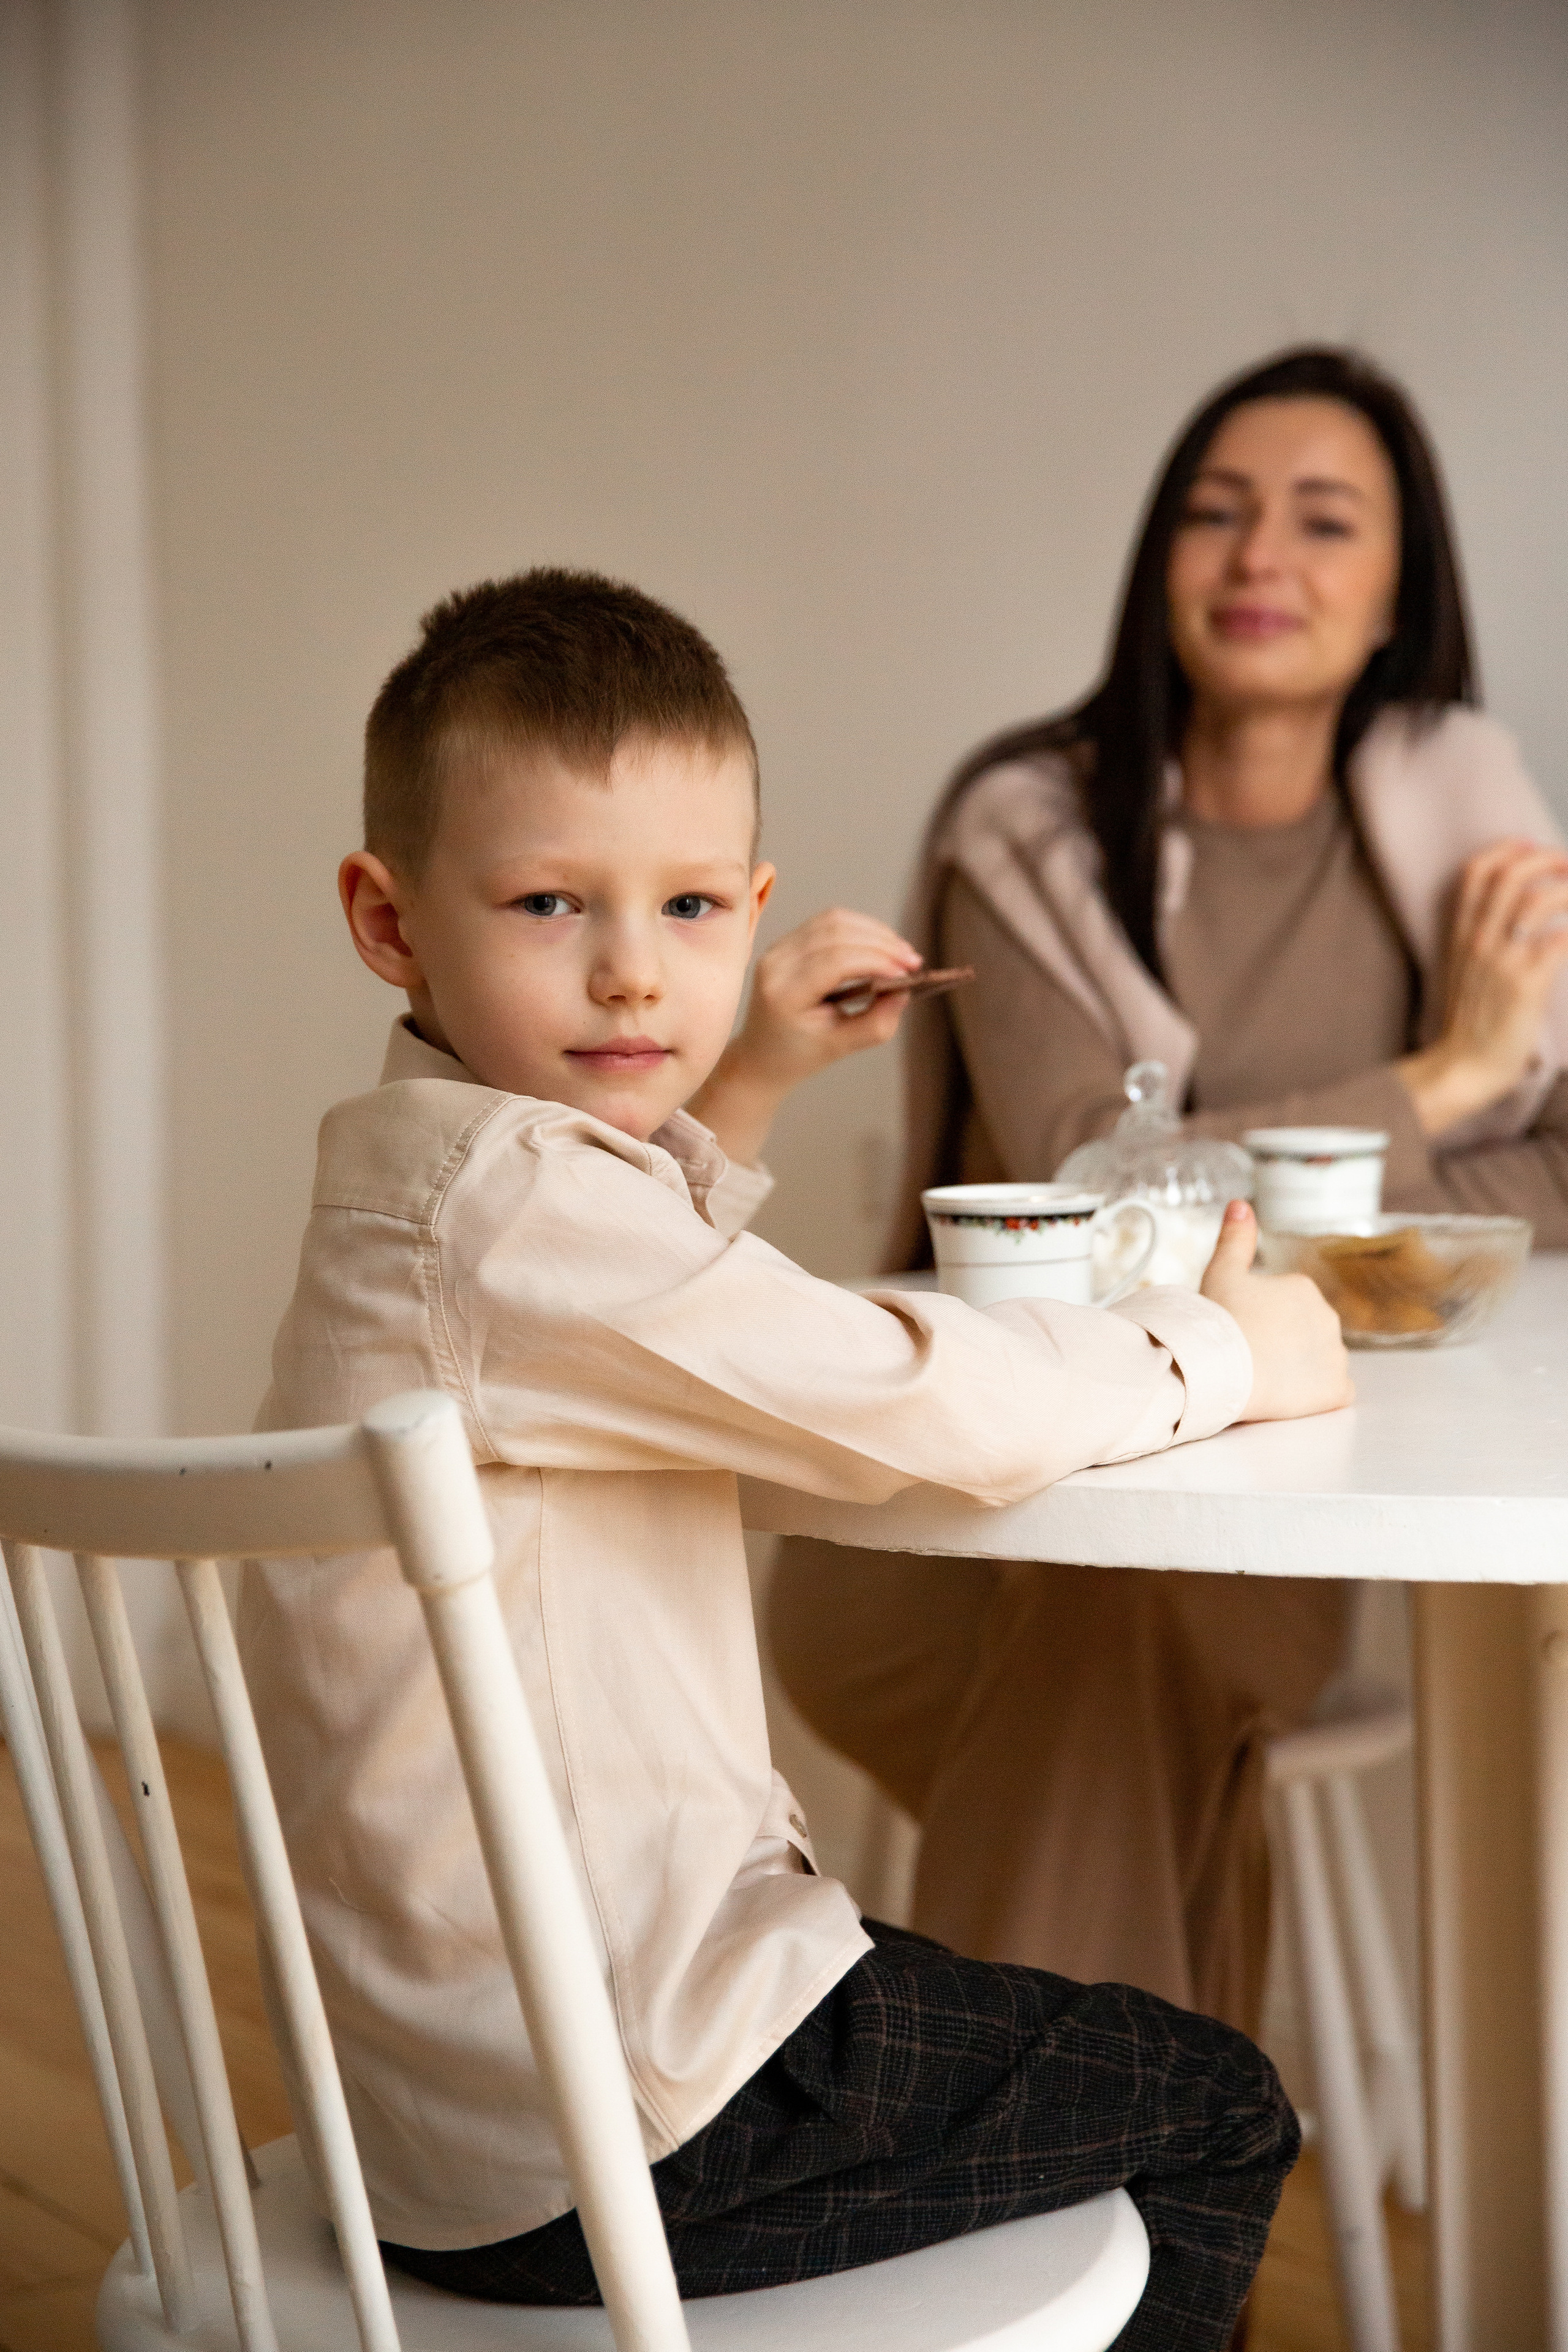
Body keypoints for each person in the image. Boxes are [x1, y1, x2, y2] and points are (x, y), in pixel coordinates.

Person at [243, 567, 1349, 2348]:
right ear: (390, 921)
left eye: (685, 906)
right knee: (1214, 2103)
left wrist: (740, 1078)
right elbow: (903, 1402)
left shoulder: (420, 1193)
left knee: (1063, 2059)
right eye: (549, 903)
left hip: (435, 2133)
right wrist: (1225, 1348)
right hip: (643, 2107)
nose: (630, 968)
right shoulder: (511, 1214)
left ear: (749, 906)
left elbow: (662, 1321)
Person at [769, 346, 1568, 2042]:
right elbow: (1089, 1194)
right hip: (949, 1498)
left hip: (1274, 1501)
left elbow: (1557, 1158)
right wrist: (1440, 1084)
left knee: (1128, 1664)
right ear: (1160, 560)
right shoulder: (1035, 830)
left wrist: (1288, 1180)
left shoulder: (1462, 842)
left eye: (1323, 521)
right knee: (1110, 1662)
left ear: (1398, 595)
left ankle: (1072, 2247)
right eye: (1217, 512)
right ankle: (1153, 2239)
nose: (1259, 556)